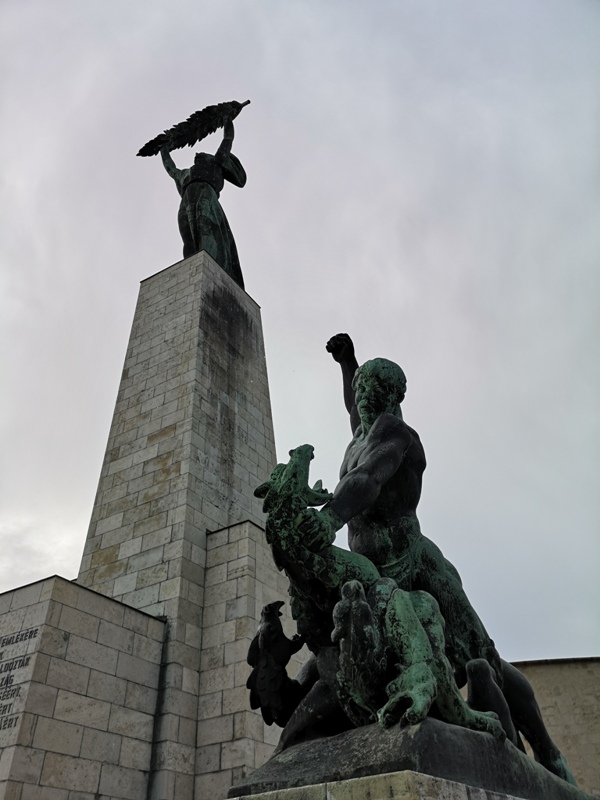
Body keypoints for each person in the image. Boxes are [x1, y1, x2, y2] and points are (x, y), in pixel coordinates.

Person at [298, 332, 575, 784]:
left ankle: (547, 752)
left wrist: (329, 519)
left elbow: (368, 480)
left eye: (372, 393)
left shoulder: (398, 436)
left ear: (391, 398)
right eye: (361, 392)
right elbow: (353, 409)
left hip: (417, 565)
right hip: (375, 574)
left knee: (483, 658)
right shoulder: (361, 432)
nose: (363, 401)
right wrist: (348, 365)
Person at [160, 119, 246, 288]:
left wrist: (227, 119)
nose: (197, 153)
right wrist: (163, 149)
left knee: (207, 231)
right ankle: (191, 271)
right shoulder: (185, 174)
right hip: (186, 202)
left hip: (206, 196)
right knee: (189, 240)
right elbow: (170, 168)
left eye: (203, 153)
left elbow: (227, 139)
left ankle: (211, 269)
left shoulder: (215, 164)